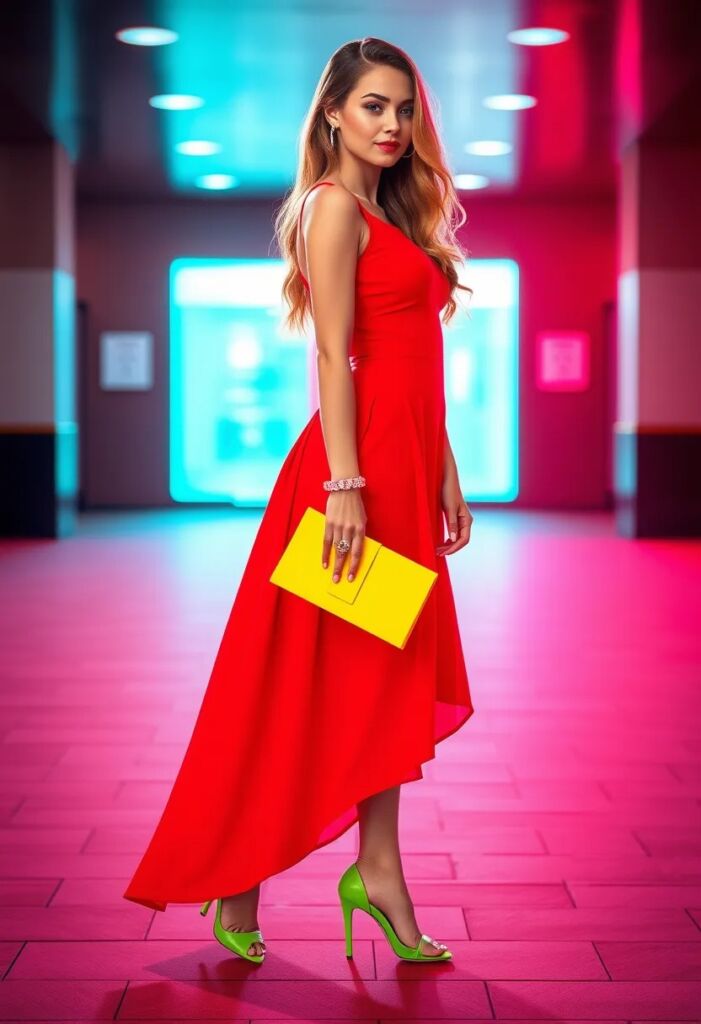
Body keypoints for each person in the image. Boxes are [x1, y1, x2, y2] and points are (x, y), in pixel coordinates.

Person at [123, 35, 475, 963]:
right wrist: (346, 487)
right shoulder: (329, 208)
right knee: (297, 680)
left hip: (400, 472)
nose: (392, 124)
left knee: (381, 675)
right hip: (346, 481)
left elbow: (415, 365)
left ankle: (377, 869)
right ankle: (237, 884)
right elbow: (333, 354)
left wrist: (443, 467)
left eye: (403, 108)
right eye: (372, 106)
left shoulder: (397, 215)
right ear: (332, 113)